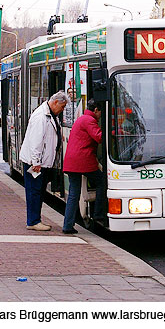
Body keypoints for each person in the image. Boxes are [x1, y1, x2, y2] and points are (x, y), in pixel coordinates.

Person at [19, 90, 69, 231]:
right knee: (35, 191)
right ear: (55, 102)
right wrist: (36, 162)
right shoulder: (41, 116)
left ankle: (35, 219)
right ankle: (33, 221)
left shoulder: (49, 115)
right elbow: (36, 141)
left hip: (42, 162)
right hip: (35, 163)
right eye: (62, 106)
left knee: (38, 191)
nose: (62, 110)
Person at [62, 100, 106, 234]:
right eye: (100, 112)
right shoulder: (89, 120)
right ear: (96, 110)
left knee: (74, 193)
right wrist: (115, 132)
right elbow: (99, 137)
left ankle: (68, 225)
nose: (100, 115)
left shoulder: (82, 118)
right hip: (83, 160)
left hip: (72, 161)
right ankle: (98, 214)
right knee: (102, 181)